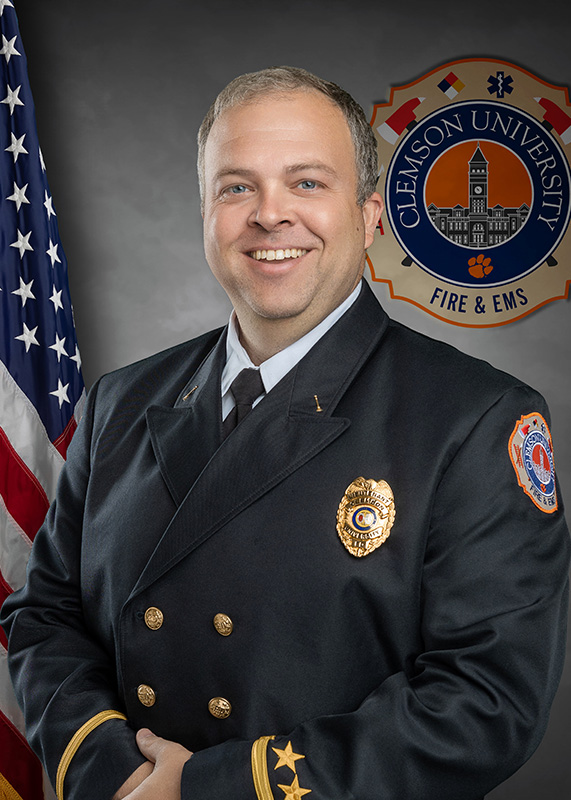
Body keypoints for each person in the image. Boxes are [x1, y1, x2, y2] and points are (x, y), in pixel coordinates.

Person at [1, 66, 569, 800]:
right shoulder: (121, 401)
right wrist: (116, 772)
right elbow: (45, 615)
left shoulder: (475, 419)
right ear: (205, 213)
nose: (270, 215)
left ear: (369, 216)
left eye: (307, 183)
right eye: (237, 187)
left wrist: (207, 788)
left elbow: (485, 703)